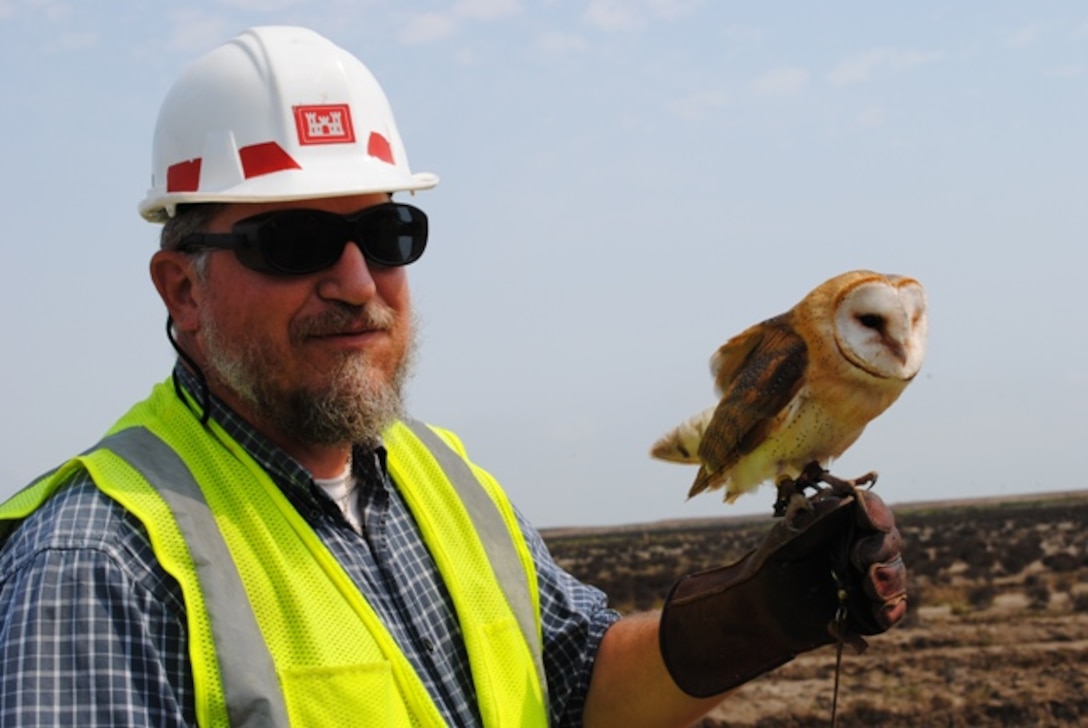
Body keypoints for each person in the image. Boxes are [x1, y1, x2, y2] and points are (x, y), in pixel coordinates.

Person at [0, 26, 907, 727]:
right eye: (293, 241)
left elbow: (580, 689)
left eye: (388, 234)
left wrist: (761, 613)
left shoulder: (447, 480)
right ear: (182, 291)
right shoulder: (97, 564)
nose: (357, 284)